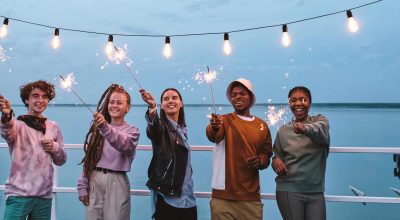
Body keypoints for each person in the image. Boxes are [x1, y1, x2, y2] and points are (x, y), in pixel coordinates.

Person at [206, 78, 273, 220]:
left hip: (251, 199)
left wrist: (260, 160)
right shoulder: (223, 120)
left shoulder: (262, 125)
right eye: (234, 95)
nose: (237, 97)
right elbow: (213, 135)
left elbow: (267, 154)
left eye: (242, 94)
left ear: (251, 97)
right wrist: (214, 126)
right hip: (222, 198)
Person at [0, 80, 67, 220]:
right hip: (18, 195)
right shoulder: (17, 125)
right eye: (35, 96)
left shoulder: (53, 126)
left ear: (48, 100)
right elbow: (7, 132)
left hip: (44, 197)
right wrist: (7, 116)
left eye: (44, 96)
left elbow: (61, 160)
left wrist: (54, 148)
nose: (40, 100)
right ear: (26, 99)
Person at [77, 84, 140, 220]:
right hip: (94, 179)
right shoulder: (98, 129)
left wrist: (104, 127)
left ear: (127, 108)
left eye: (119, 102)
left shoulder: (132, 131)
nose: (114, 105)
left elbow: (124, 144)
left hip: (117, 181)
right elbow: (89, 158)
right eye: (111, 102)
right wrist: (82, 185)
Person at [272, 86, 330, 220]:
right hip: (289, 189)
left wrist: (304, 128)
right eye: (293, 100)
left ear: (309, 102)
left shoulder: (320, 121)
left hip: (316, 191)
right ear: (289, 103)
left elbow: (319, 131)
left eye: (303, 99)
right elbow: (277, 155)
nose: (298, 103)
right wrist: (275, 161)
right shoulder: (283, 130)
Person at [140, 88, 197, 220]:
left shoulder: (182, 130)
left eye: (174, 98)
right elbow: (153, 128)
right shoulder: (161, 128)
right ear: (162, 106)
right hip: (168, 198)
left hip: (188, 199)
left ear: (181, 103)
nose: (170, 101)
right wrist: (152, 107)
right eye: (166, 99)